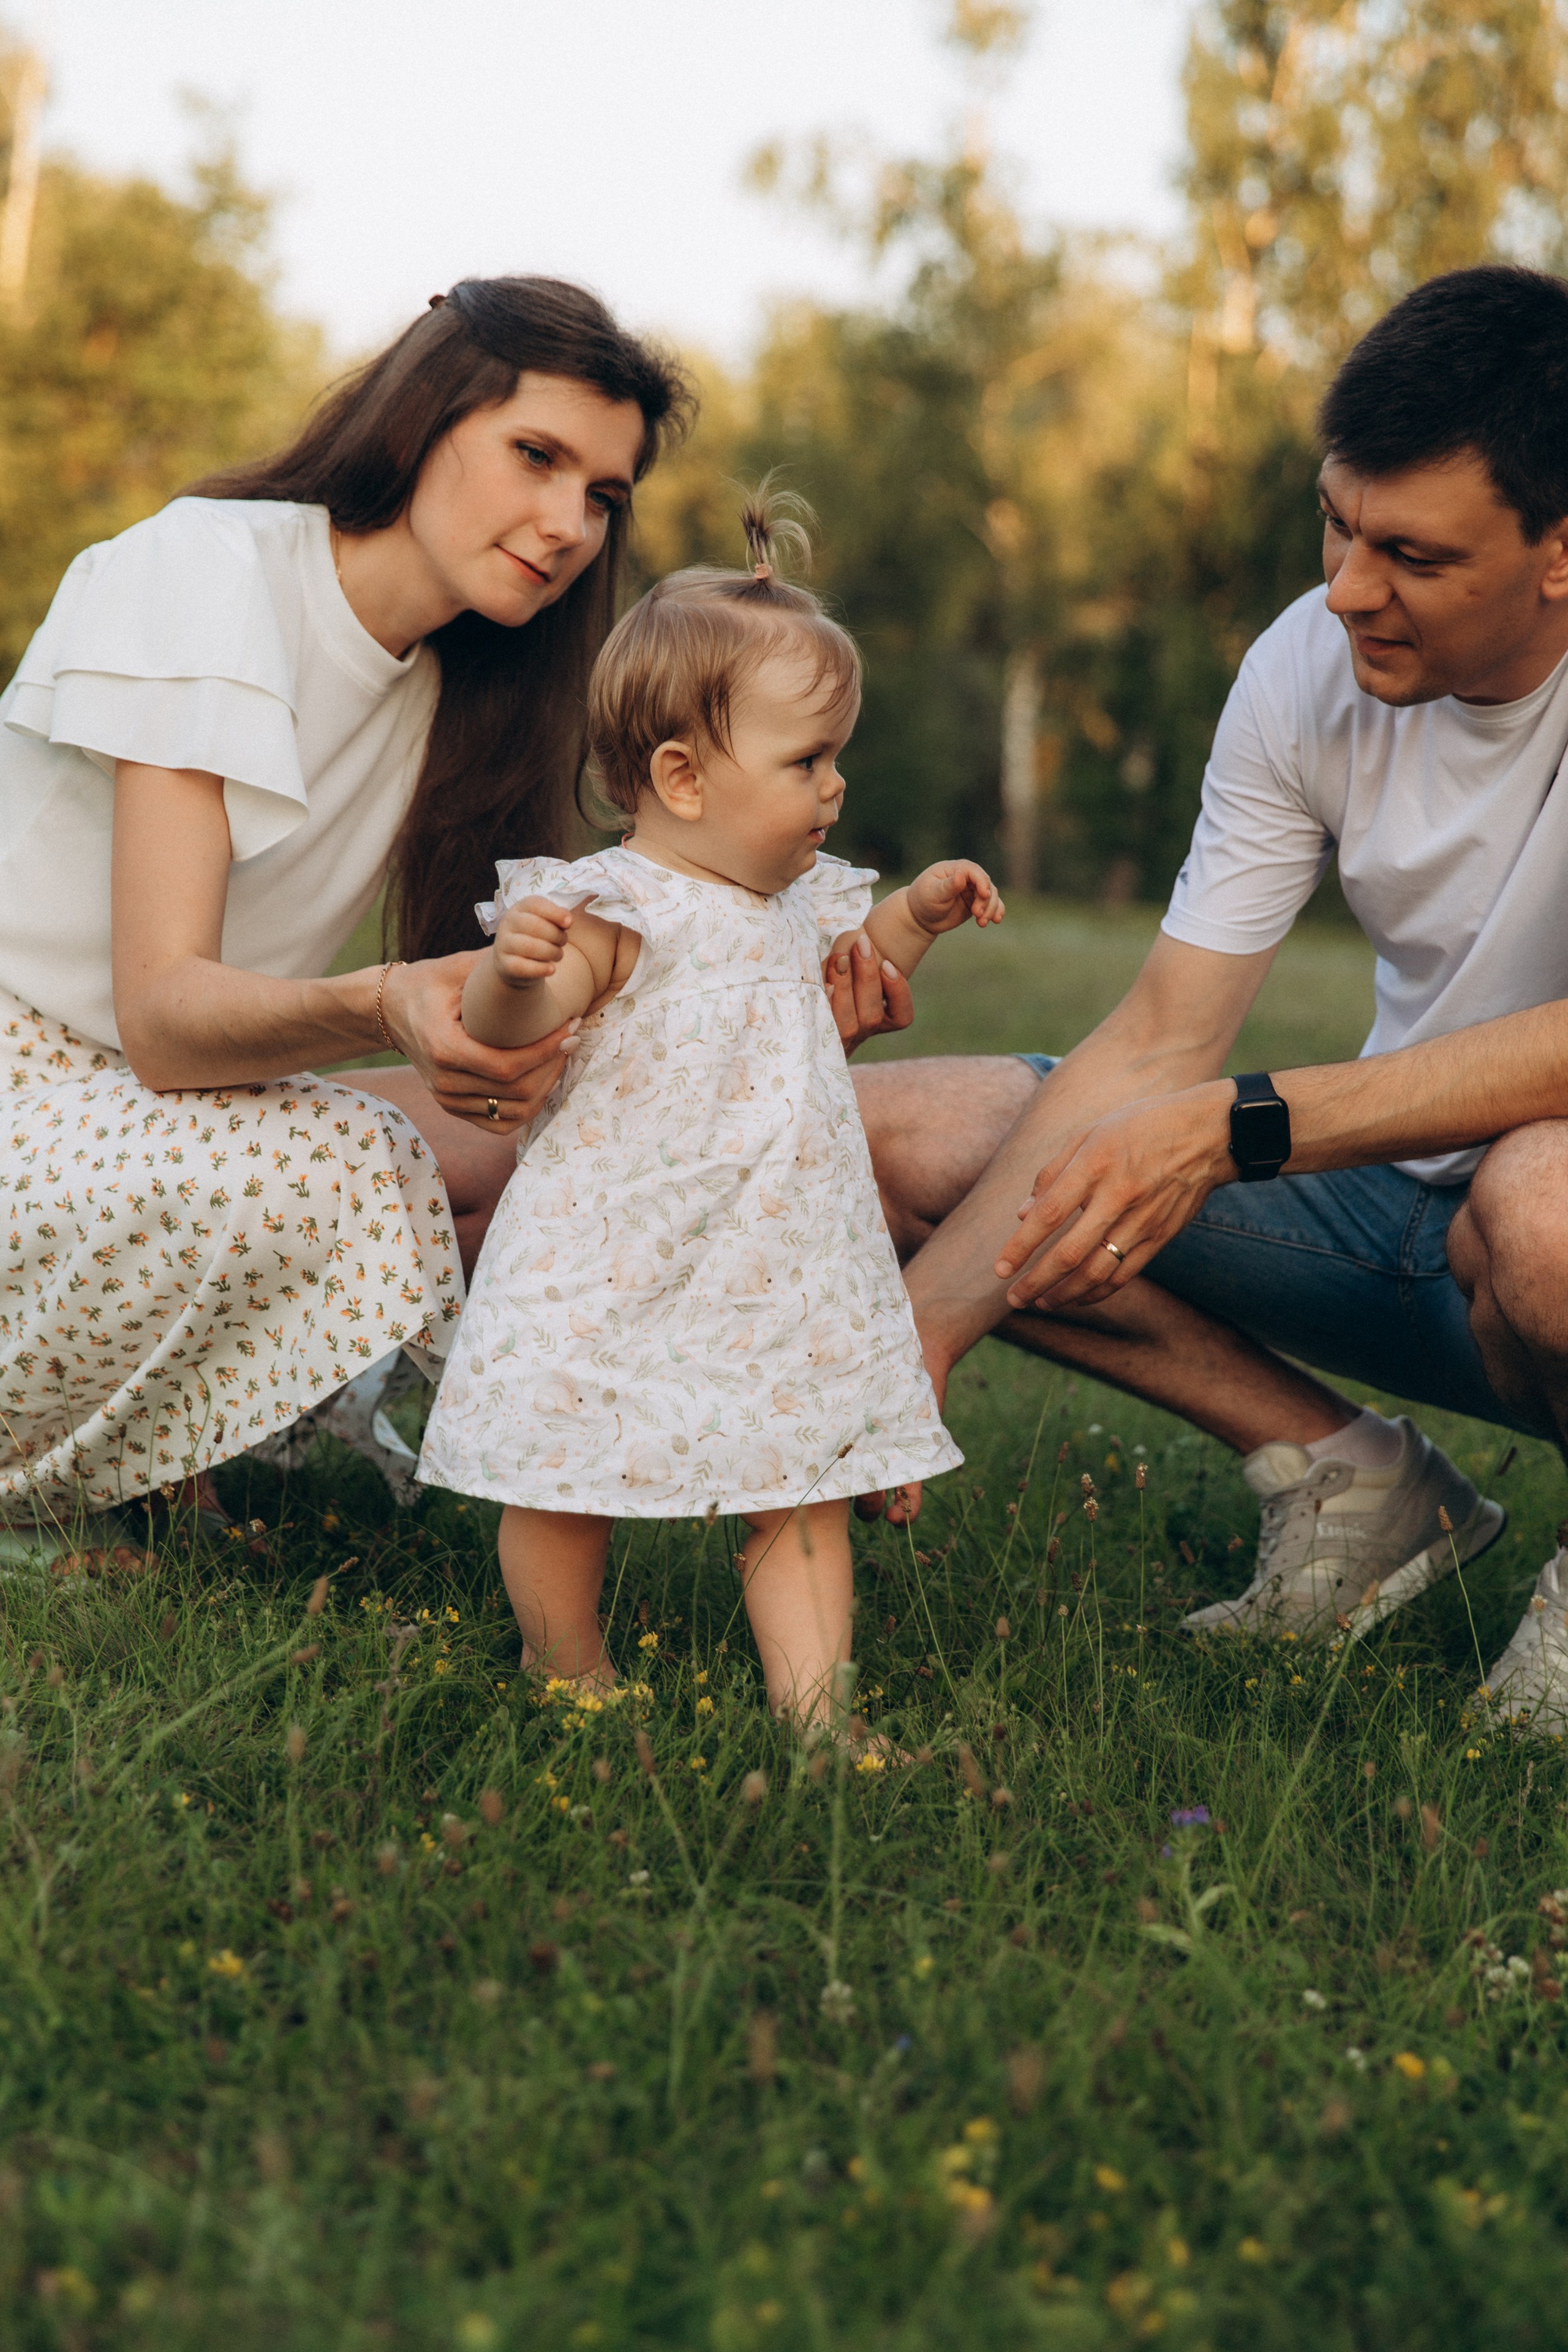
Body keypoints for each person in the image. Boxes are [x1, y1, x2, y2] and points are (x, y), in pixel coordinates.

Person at [854, 264, 1568, 1730]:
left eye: (1411, 554)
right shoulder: (1306, 661)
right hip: (1398, 1226)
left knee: (1540, 1206)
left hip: (1536, 1228)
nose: (1347, 587)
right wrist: (917, 1333)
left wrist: (1237, 1126)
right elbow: (1162, 1036)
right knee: (891, 1145)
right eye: (1335, 523)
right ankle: (1356, 1487)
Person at [0, 275, 689, 1540]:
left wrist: (766, 990)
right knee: (350, 1160)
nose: (567, 525)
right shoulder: (206, 568)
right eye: (535, 456)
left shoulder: (463, 693)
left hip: (153, 1115)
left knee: (569, 1147)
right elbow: (162, 1016)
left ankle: (162, 1452)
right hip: (29, 1083)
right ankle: (90, 1489)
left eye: (603, 495)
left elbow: (517, 1020)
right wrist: (382, 1003)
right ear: (423, 419)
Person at [416, 500, 1003, 1723]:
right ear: (682, 777)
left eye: (835, 758)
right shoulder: (615, 908)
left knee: (801, 1485)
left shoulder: (795, 896)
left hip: (777, 1262)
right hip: (613, 1259)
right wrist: (509, 974)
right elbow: (516, 1026)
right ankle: (564, 1666)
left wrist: (916, 915)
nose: (835, 786)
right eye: (807, 762)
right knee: (563, 1479)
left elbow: (855, 958)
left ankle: (817, 1717)